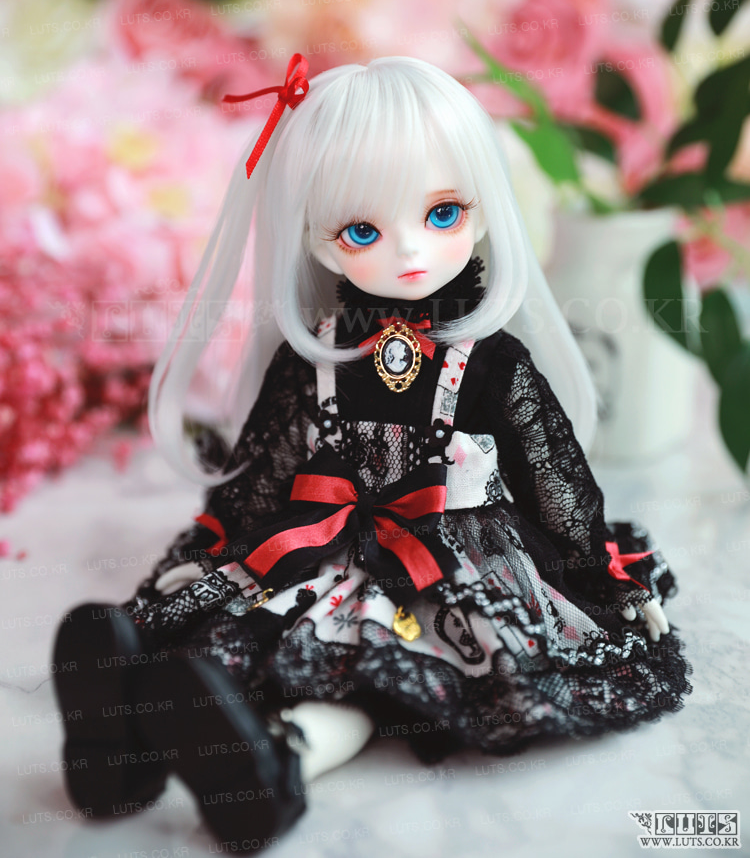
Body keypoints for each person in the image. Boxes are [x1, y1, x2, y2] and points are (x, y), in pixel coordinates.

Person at [53, 56, 690, 853]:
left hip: (452, 563)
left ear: (485, 209)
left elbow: (550, 476)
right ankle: (138, 736)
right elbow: (267, 469)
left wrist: (599, 572)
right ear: (317, 240)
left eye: (444, 212)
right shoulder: (316, 354)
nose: (410, 250)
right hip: (333, 547)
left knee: (378, 677)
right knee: (274, 640)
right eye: (363, 230)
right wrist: (221, 545)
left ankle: (258, 756)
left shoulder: (490, 360)